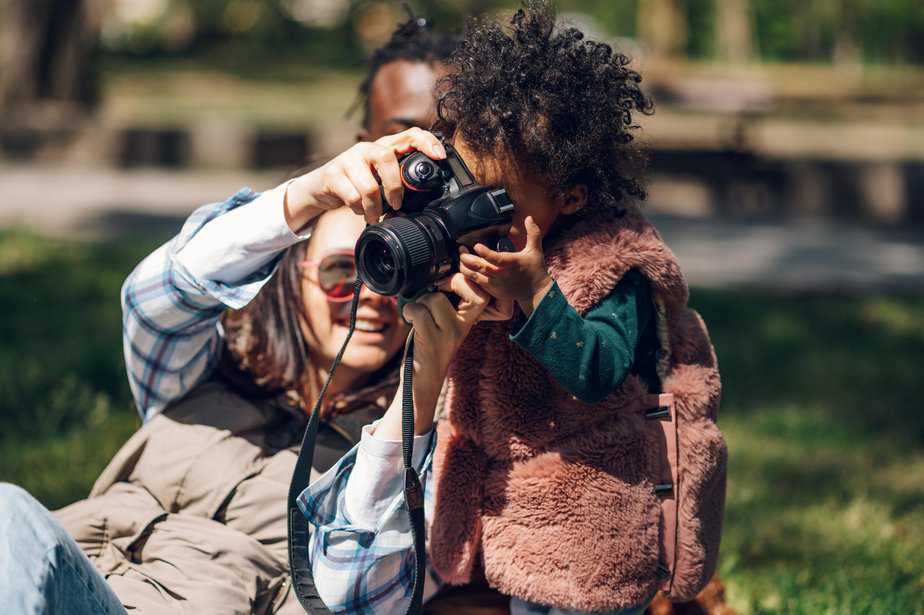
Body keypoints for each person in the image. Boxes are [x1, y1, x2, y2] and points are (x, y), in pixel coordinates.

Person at [0, 18, 470, 615]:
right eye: (340, 274)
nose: (368, 296)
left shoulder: (417, 447)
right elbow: (156, 298)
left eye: (391, 277)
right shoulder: (202, 374)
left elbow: (363, 597)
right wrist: (308, 196)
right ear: (294, 284)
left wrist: (417, 393)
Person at [297, 3, 726, 615]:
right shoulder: (499, 242)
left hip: (600, 519)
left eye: (493, 199)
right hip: (522, 518)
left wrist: (536, 294)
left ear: (570, 196)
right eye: (464, 183)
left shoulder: (613, 262)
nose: (472, 211)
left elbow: (599, 369)